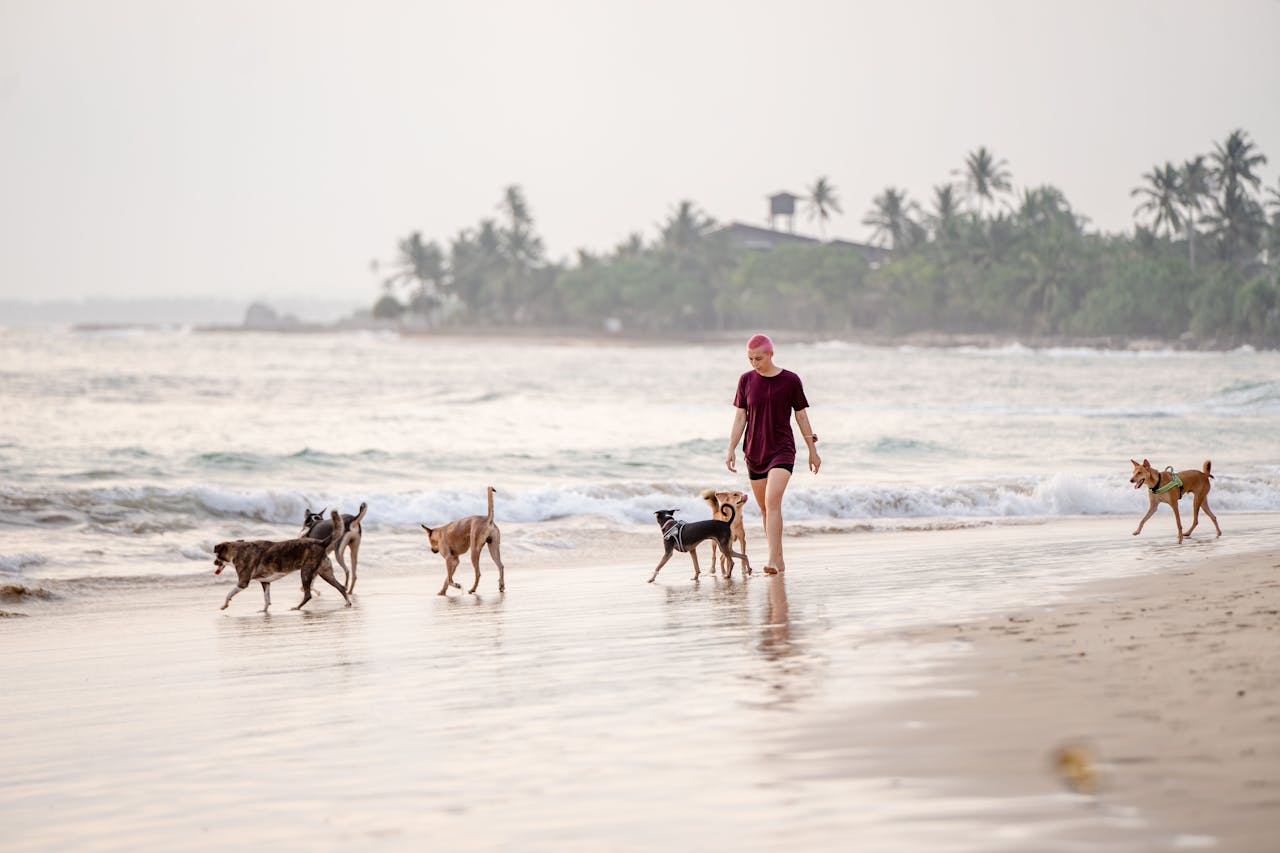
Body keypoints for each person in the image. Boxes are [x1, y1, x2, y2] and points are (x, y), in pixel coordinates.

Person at [725, 334, 820, 575]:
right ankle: (779, 558)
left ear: (770, 354)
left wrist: (812, 450)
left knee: (772, 501)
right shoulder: (746, 380)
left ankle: (771, 561)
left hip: (782, 449)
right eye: (750, 359)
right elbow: (740, 418)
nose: (754, 363)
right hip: (755, 451)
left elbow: (801, 416)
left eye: (758, 358)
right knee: (766, 510)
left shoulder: (790, 380)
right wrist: (731, 448)